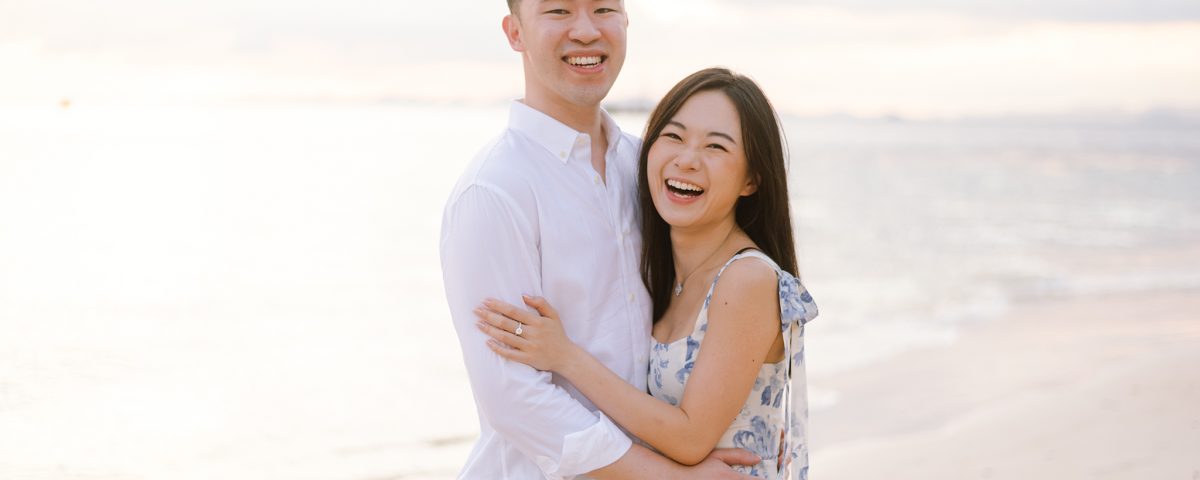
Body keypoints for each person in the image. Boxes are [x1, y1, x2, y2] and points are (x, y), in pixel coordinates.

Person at [439, 0, 760, 478]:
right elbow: (513, 398)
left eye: (604, 8)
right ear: (515, 33)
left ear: (626, 22)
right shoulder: (495, 192)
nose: (586, 31)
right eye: (559, 12)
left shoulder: (646, 168)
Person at [475, 68, 819, 479]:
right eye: (673, 136)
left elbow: (690, 436)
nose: (687, 160)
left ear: (751, 180)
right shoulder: (667, 274)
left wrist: (565, 357)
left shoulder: (747, 280)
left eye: (716, 147)